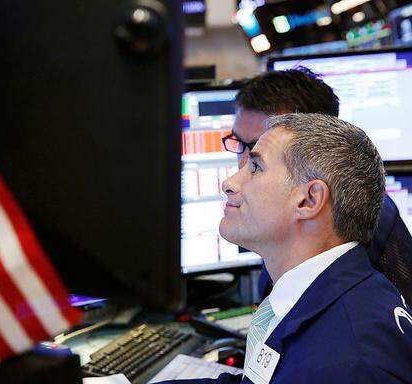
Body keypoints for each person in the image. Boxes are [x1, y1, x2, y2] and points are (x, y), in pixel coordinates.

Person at [158, 113, 412, 383]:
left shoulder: (347, 365)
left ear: (309, 200)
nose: (229, 183)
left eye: (255, 167)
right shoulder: (322, 298)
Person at [223, 68, 412, 304]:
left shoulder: (354, 225)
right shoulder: (280, 226)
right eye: (238, 143)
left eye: (259, 154)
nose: (241, 166)